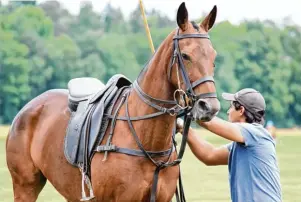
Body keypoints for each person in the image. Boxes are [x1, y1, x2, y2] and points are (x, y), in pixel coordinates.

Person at [177, 88, 282, 202]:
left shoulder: (256, 133)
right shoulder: (244, 143)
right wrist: (182, 127)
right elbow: (209, 155)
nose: (228, 111)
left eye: (231, 107)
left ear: (241, 110)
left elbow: (209, 122)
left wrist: (190, 107)